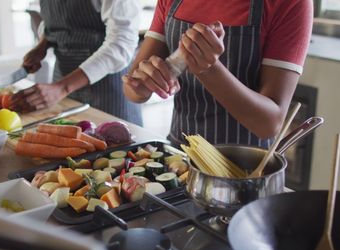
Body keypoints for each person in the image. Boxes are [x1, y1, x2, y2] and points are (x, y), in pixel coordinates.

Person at [123, 0, 313, 147]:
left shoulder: (290, 3)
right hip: (179, 158)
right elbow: (132, 88)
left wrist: (210, 70)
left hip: (244, 172)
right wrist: (142, 85)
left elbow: (269, 124)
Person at [11, 0, 143, 125]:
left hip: (107, 90)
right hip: (61, 85)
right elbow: (55, 20)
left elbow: (121, 44)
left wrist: (62, 87)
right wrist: (42, 45)